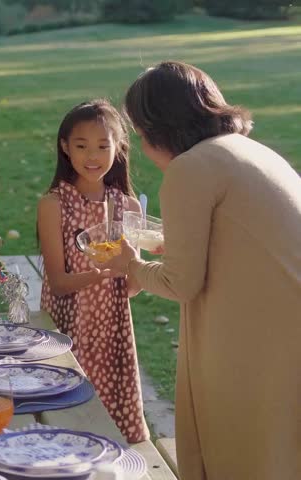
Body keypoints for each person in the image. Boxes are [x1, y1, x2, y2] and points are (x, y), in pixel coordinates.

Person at [107, 61, 301, 479]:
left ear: (158, 128)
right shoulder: (251, 150)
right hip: (284, 321)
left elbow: (181, 282)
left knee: (240, 448)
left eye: (140, 135)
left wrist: (132, 268)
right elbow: (242, 239)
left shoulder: (190, 167)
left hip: (264, 336)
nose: (142, 147)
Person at [37, 99, 149, 443]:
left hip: (112, 330)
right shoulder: (54, 204)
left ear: (119, 147)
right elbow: (57, 284)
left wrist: (132, 264)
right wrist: (101, 273)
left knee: (114, 426)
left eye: (103, 146)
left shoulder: (126, 207)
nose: (92, 156)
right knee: (70, 418)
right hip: (69, 326)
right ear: (65, 147)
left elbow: (133, 287)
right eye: (82, 146)